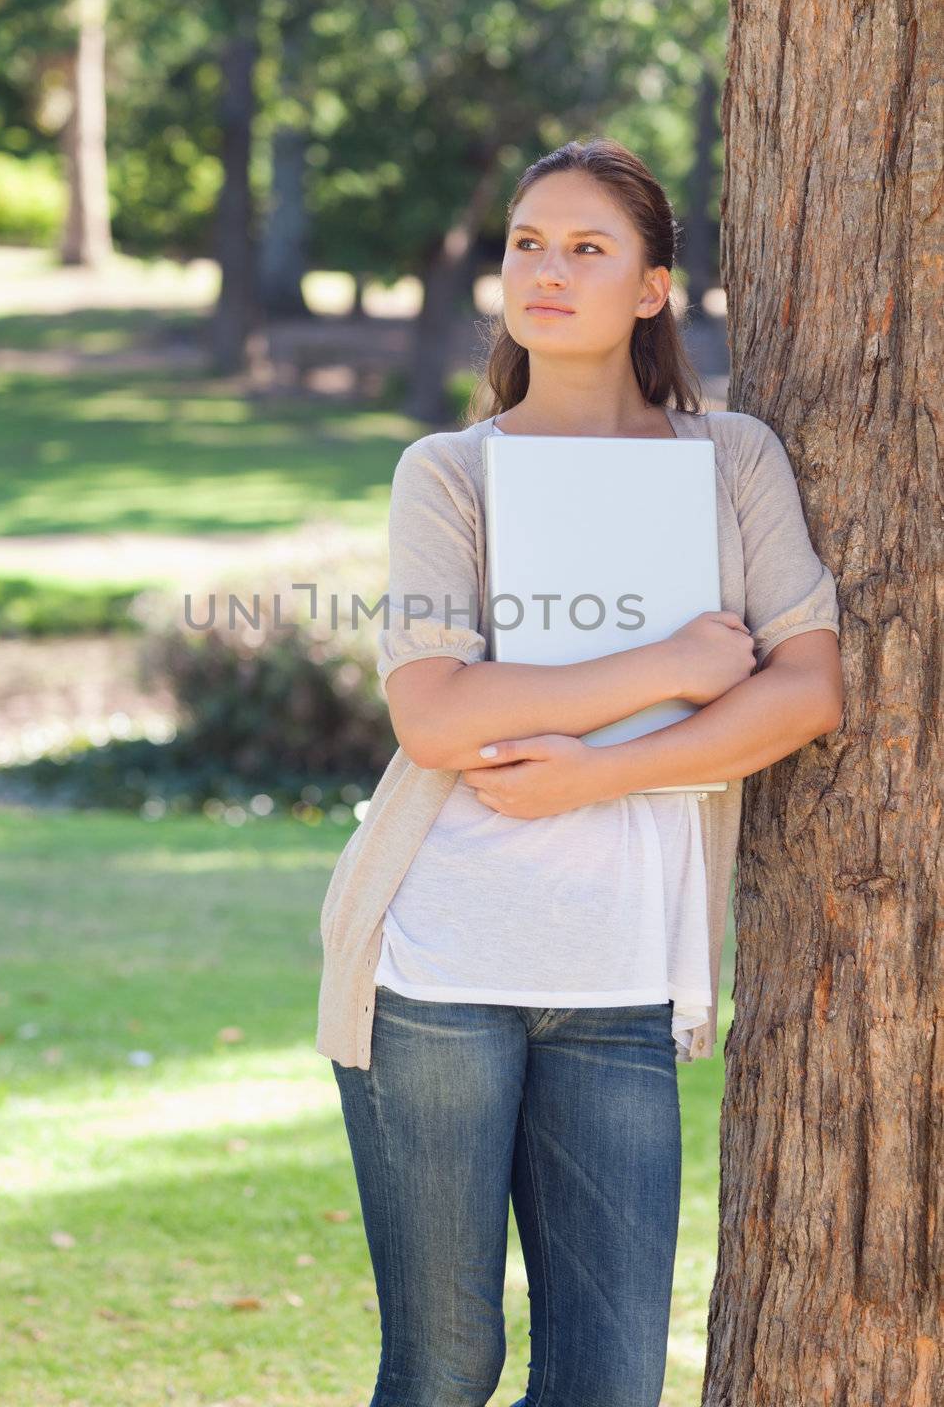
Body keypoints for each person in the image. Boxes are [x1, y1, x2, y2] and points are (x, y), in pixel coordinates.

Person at [319, 137, 844, 1407]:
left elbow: (806, 687)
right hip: (436, 964)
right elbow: (434, 713)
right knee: (445, 1365)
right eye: (526, 244)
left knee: (607, 1384)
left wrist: (599, 772)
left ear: (653, 287)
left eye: (587, 248)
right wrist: (669, 660)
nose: (546, 271)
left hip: (619, 978)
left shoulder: (731, 460)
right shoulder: (449, 473)